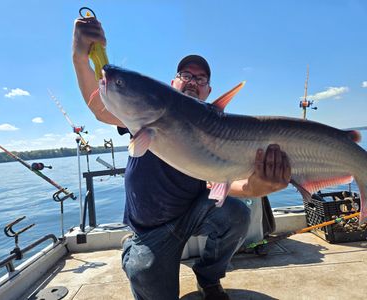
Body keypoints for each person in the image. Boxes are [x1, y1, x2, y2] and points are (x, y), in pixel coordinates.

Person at [73, 16, 291, 300]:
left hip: (191, 215)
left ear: (209, 91)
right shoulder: (145, 116)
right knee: (147, 274)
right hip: (151, 231)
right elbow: (101, 108)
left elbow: (227, 186)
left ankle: (208, 277)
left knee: (237, 213)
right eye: (185, 75)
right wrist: (80, 57)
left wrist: (259, 186)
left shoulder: (219, 135)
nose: (192, 81)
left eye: (200, 78)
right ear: (172, 82)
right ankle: (132, 249)